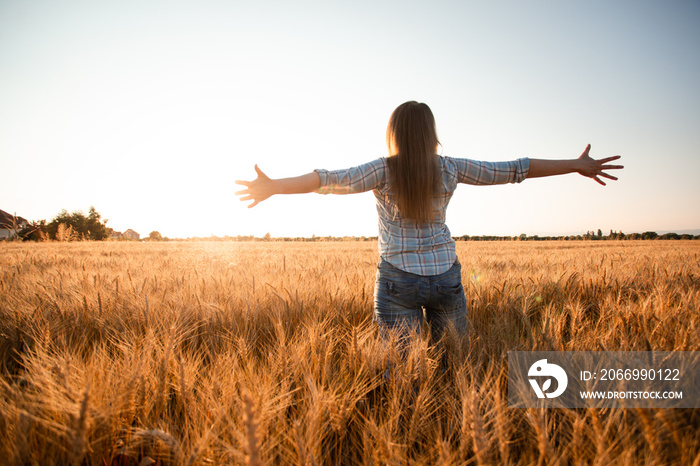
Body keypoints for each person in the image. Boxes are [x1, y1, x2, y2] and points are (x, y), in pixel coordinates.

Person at [234, 101, 623, 350]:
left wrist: (273, 187)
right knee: (455, 368)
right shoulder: (450, 167)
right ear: (431, 133)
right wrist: (575, 165)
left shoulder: (382, 169)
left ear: (395, 133)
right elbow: (514, 170)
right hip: (446, 279)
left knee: (404, 379)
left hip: (398, 281)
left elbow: (326, 179)